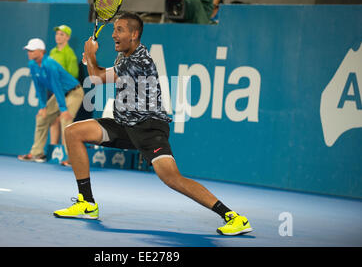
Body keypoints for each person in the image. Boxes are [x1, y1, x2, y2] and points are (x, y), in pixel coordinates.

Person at [52, 12, 253, 236]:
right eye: (113, 29)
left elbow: (97, 78)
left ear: (134, 34)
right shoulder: (125, 56)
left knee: (172, 178)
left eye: (119, 30)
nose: (113, 35)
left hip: (148, 128)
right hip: (124, 124)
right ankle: (87, 203)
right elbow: (105, 75)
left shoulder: (139, 59)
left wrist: (90, 57)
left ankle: (233, 217)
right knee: (73, 132)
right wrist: (91, 62)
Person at [18, 38, 84, 164]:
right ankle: (37, 153)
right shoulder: (32, 64)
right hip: (61, 94)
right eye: (28, 50)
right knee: (42, 117)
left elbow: (57, 87)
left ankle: (72, 158)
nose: (29, 53)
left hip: (74, 92)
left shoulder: (50, 65)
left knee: (65, 120)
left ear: (41, 51)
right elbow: (39, 87)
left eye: (31, 50)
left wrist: (63, 109)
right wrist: (43, 107)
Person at [48, 25, 79, 166]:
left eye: (62, 34)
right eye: (57, 34)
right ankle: (53, 152)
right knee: (52, 120)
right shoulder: (52, 52)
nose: (58, 36)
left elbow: (73, 75)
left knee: (64, 120)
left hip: (66, 91)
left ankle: (69, 156)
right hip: (53, 90)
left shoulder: (70, 54)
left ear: (67, 37)